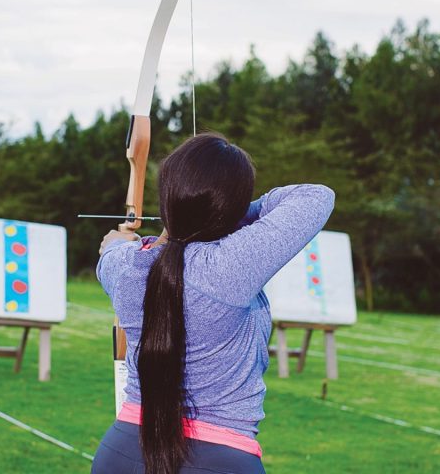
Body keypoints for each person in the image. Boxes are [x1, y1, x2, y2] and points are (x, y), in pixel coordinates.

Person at [91, 133, 336, 474]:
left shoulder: (124, 265)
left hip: (121, 452)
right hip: (218, 460)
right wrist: (231, 214)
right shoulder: (230, 265)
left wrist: (121, 241)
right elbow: (316, 196)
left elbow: (113, 252)